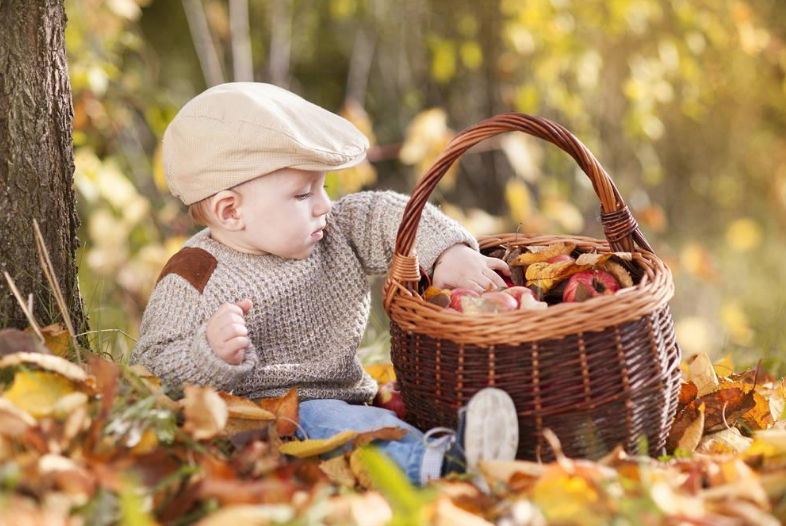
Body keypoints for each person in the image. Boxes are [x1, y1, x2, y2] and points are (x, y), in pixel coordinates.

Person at [132, 82, 519, 485]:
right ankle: (441, 469)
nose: (323, 205)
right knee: (331, 423)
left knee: (371, 417)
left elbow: (385, 214)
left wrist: (445, 251)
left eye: (324, 187)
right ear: (231, 211)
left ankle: (456, 447)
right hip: (269, 422)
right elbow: (151, 366)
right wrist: (208, 355)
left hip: (348, 401)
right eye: (302, 195)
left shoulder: (330, 230)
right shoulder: (194, 275)